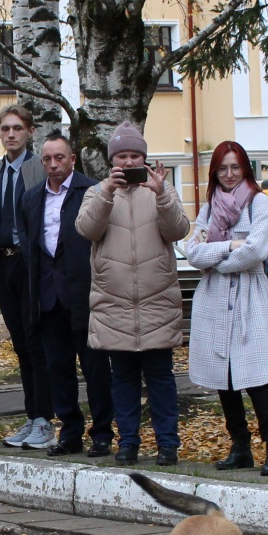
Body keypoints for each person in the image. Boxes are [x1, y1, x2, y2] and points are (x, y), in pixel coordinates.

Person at [77, 122, 190, 465]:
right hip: (115, 306)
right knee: (123, 379)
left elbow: (179, 230)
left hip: (157, 303)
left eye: (135, 155)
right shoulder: (96, 192)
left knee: (160, 378)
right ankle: (128, 443)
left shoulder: (161, 190)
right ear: (111, 161)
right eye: (122, 156)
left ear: (145, 157)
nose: (128, 162)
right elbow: (86, 229)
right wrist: (107, 193)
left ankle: (168, 444)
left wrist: (162, 194)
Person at [184, 140, 268, 475]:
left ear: (245, 168)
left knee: (255, 375)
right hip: (215, 299)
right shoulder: (210, 208)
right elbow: (192, 252)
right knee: (223, 377)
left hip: (248, 297)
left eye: (235, 167)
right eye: (223, 168)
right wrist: (228, 245)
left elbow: (256, 250)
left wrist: (217, 260)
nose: (229, 174)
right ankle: (240, 446)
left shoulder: (259, 202)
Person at [18, 136, 113, 456]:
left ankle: (101, 433)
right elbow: (29, 252)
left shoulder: (92, 190)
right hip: (47, 298)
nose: (53, 165)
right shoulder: (31, 199)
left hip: (84, 295)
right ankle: (70, 432)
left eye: (59, 158)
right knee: (58, 369)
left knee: (96, 369)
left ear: (72, 158)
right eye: (47, 159)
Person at [0, 105, 50, 449]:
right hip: (5, 264)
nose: (11, 134)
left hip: (32, 263)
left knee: (37, 342)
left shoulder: (40, 167)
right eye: (5, 129)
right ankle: (31, 415)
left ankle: (44, 419)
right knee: (20, 344)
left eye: (17, 128)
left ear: (29, 132)